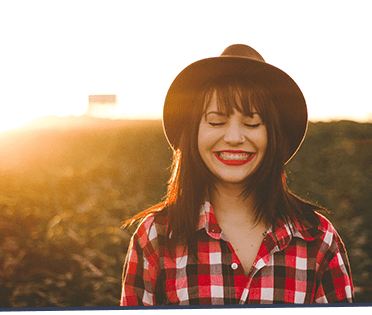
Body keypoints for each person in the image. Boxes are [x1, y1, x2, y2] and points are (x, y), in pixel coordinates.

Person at [120, 44, 354, 305]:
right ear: (193, 132)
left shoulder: (317, 238)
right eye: (216, 121)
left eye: (252, 123)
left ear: (273, 135)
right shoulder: (157, 237)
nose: (233, 138)